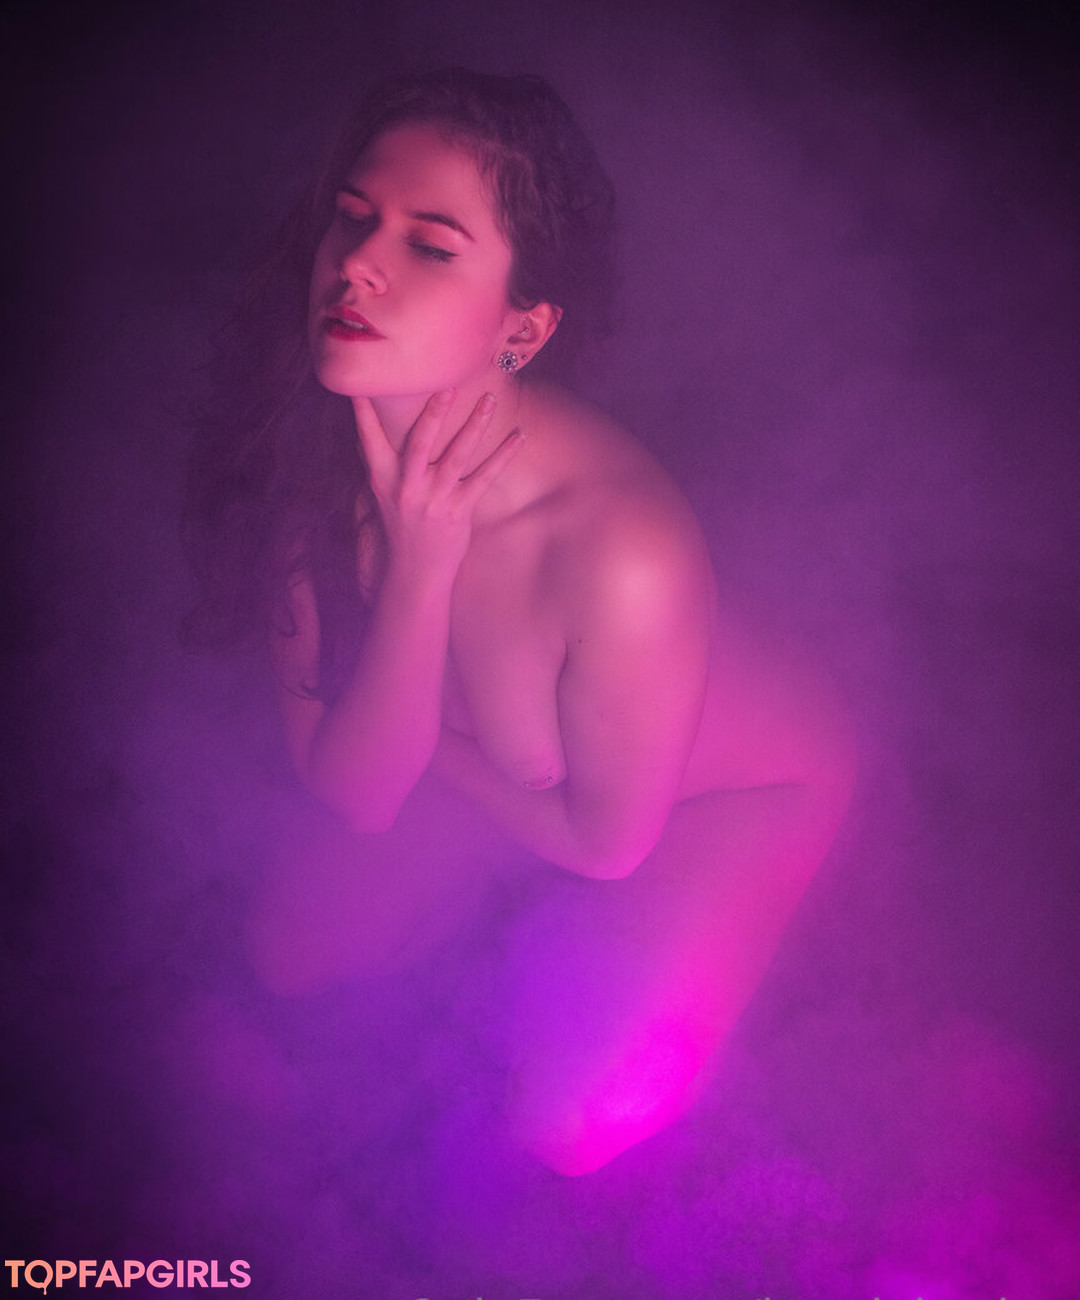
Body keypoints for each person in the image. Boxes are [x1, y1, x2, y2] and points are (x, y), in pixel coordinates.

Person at [185, 68, 855, 1177]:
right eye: (354, 217)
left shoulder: (619, 544)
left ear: (521, 326)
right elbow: (354, 790)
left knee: (572, 1132)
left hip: (717, 796)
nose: (357, 262)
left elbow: (606, 844)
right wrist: (421, 571)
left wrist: (424, 742)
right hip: (516, 770)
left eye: (429, 245)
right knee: (280, 963)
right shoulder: (305, 456)